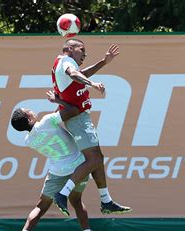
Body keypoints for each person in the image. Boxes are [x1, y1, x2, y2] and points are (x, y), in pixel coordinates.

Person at [0, 91, 97, 231]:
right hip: (78, 167)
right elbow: (74, 111)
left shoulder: (28, 140)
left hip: (57, 171)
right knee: (76, 201)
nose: (32, 110)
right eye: (29, 111)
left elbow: (54, 119)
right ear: (29, 119)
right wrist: (58, 100)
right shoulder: (48, 121)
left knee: (41, 206)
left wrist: (58, 106)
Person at [51, 39, 131, 216]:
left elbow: (79, 74)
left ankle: (106, 201)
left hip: (80, 117)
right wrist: (92, 84)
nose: (85, 55)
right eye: (82, 50)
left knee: (98, 158)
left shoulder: (64, 62)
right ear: (70, 49)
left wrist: (103, 62)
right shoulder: (66, 61)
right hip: (78, 118)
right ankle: (62, 193)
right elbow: (74, 74)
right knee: (94, 159)